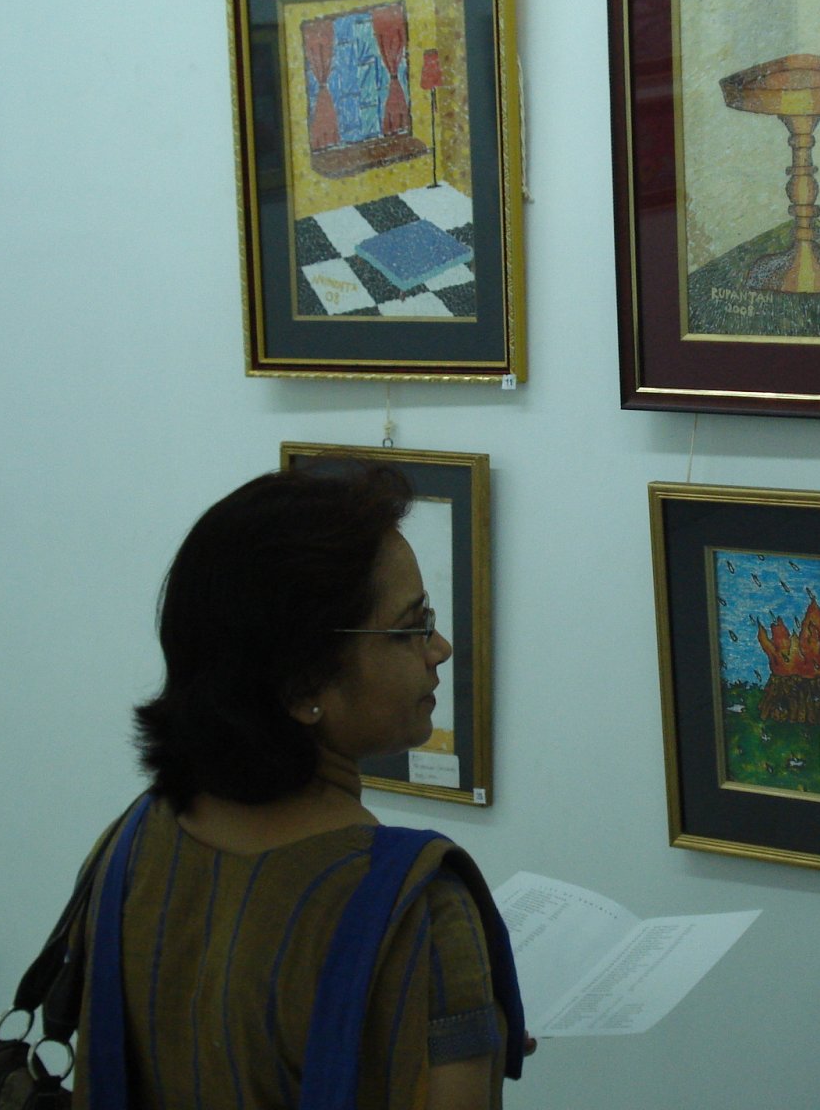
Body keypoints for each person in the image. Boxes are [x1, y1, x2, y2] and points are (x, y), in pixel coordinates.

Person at [71, 460, 528, 1109]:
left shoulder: (127, 849)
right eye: (411, 626)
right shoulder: (420, 910)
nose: (440, 648)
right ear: (303, 684)